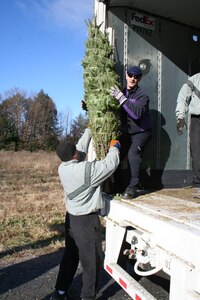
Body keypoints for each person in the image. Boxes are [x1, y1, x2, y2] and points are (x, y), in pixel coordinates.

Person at [50, 128, 120, 300]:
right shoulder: (86, 171)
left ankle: (59, 292)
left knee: (70, 255)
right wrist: (115, 147)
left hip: (71, 220)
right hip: (86, 221)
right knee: (91, 261)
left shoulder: (63, 168)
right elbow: (110, 164)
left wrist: (89, 130)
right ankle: (88, 296)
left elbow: (79, 151)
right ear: (74, 155)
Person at [110, 66, 151, 199]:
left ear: (139, 79)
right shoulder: (121, 92)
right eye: (130, 75)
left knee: (133, 154)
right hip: (127, 133)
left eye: (136, 76)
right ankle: (117, 185)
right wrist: (88, 106)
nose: (133, 78)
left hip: (141, 132)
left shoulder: (142, 95)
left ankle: (133, 187)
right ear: (126, 75)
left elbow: (137, 114)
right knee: (115, 152)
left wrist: (122, 98)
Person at [175, 72, 200, 187]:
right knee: (196, 151)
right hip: (197, 120)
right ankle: (197, 182)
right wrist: (180, 117)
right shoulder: (194, 79)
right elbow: (182, 97)